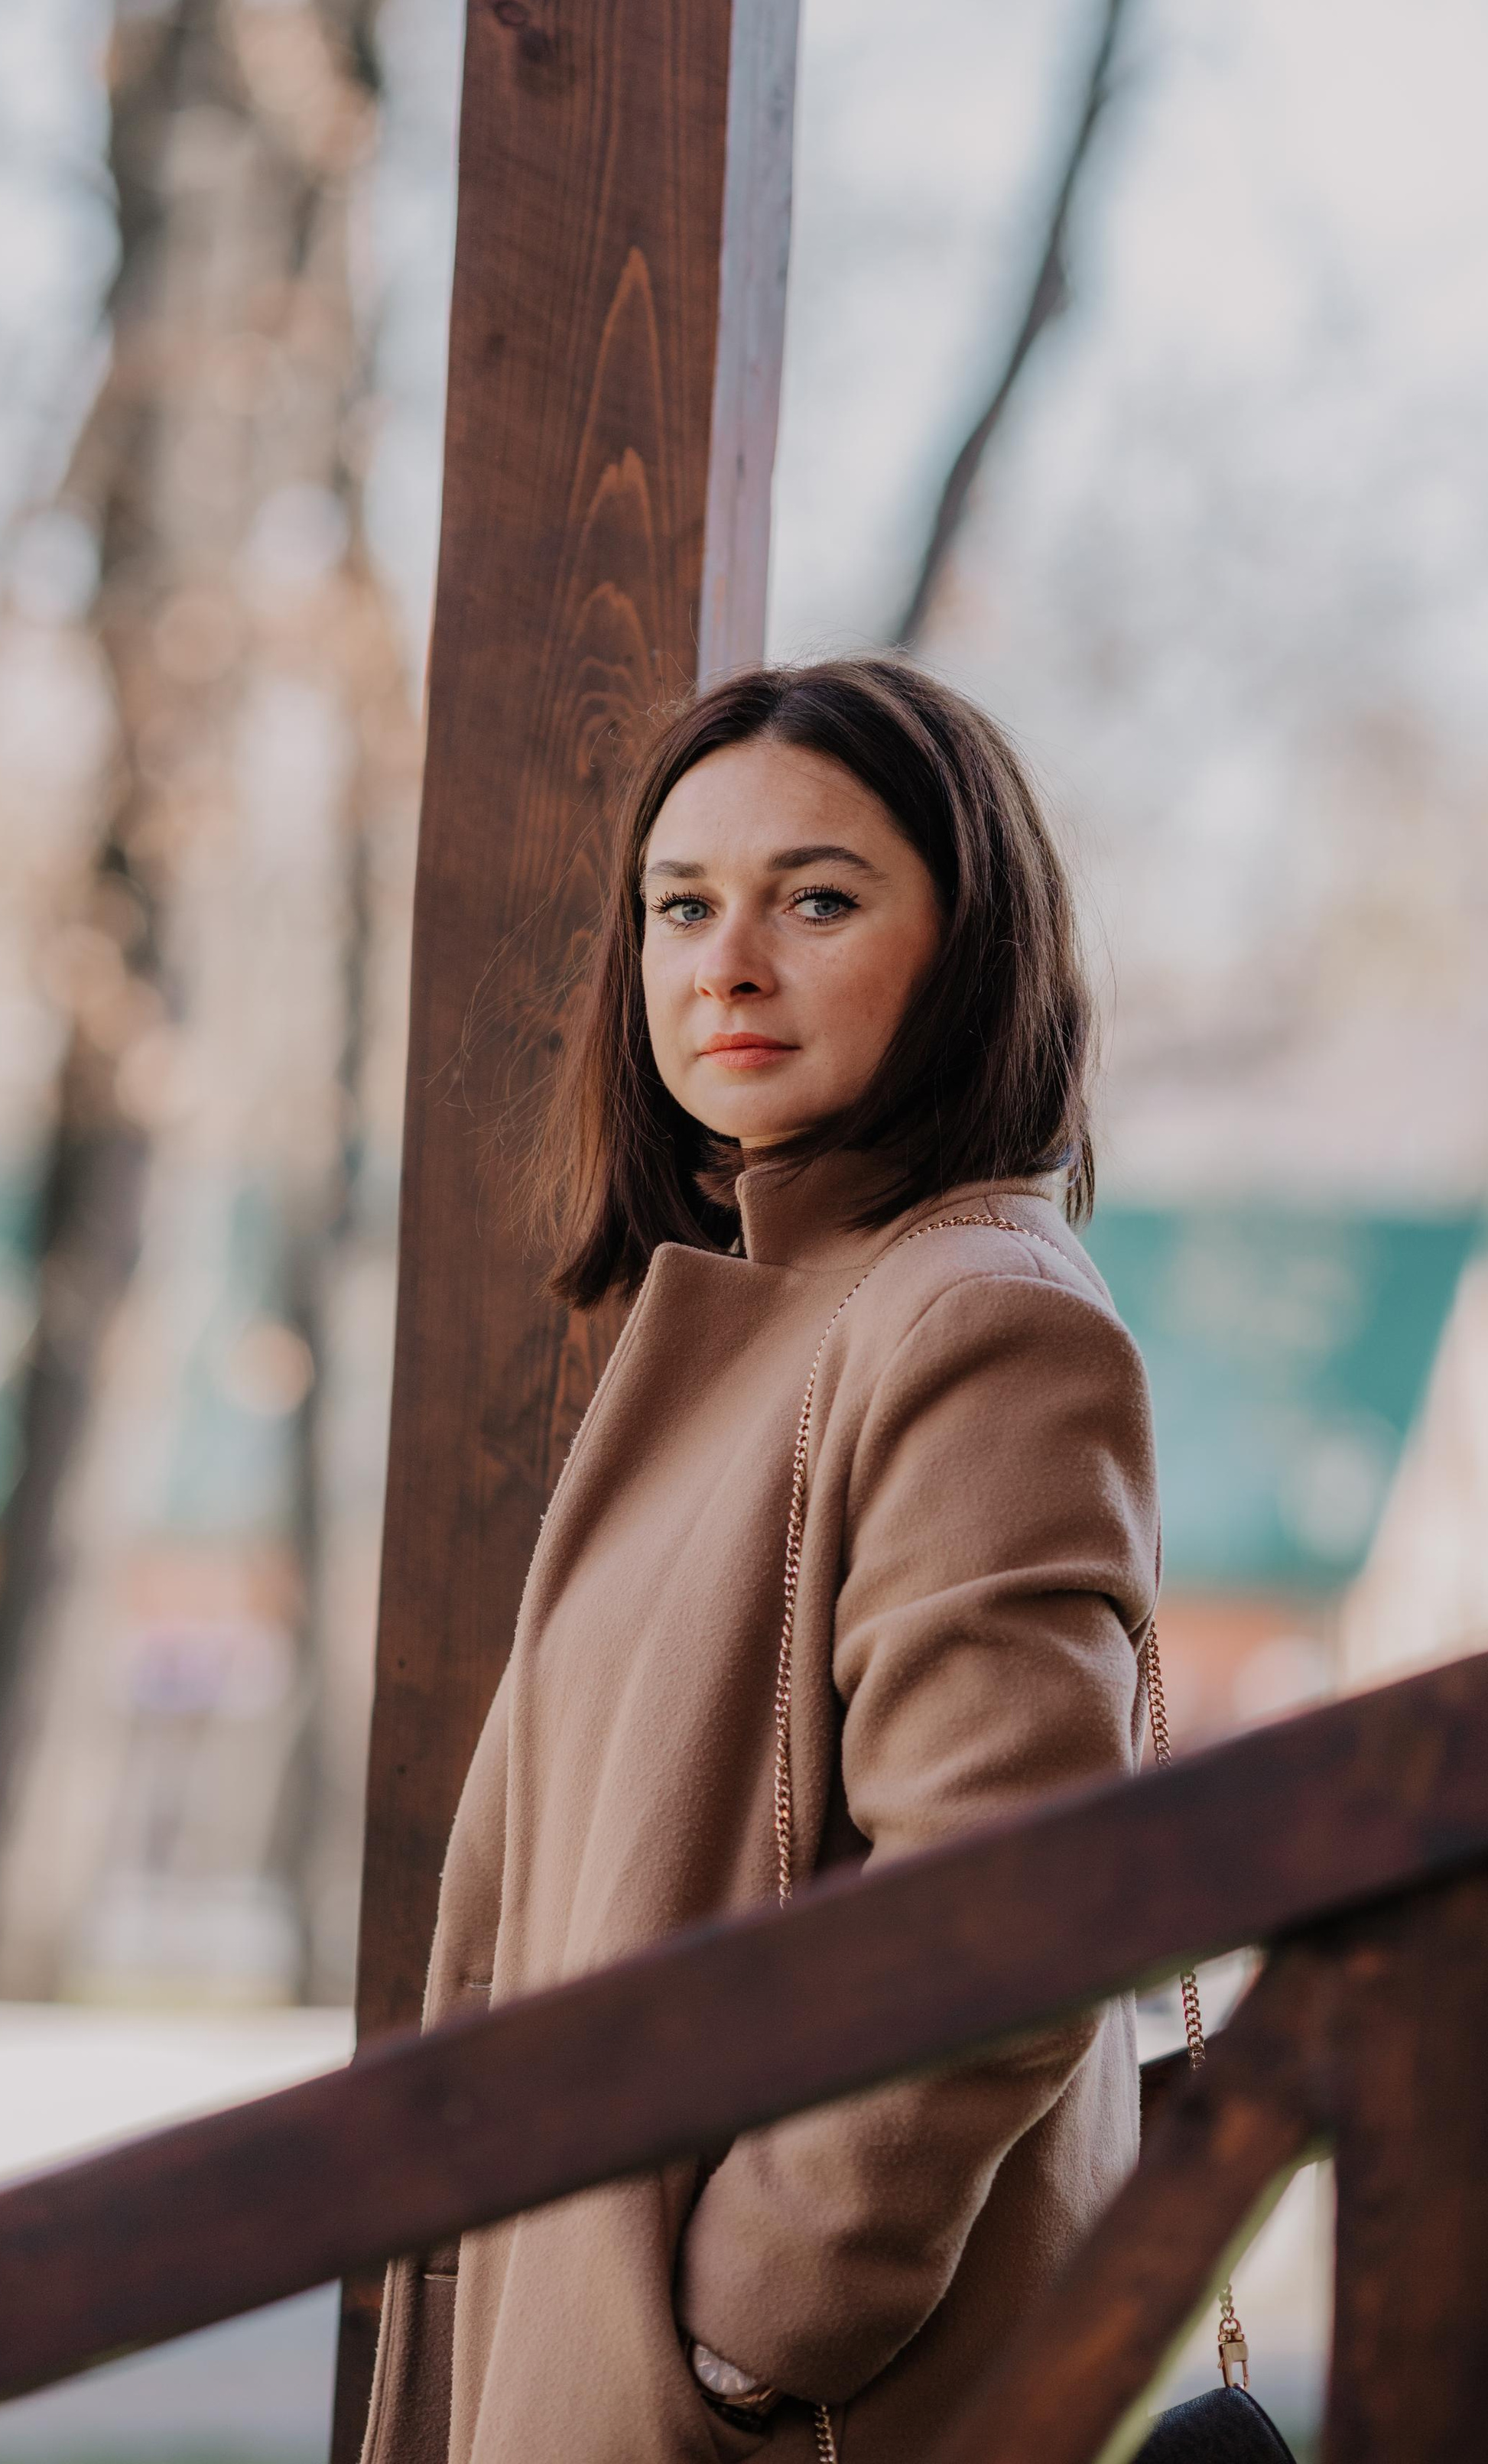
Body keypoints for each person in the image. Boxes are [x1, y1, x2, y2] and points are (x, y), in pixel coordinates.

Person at [361, 656, 1161, 2464]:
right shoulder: (770, 1315)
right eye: (678, 905)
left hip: (762, 2409)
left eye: (814, 898)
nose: (724, 961)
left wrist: (756, 2331)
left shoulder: (975, 1322)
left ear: (969, 946)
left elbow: (1009, 1903)